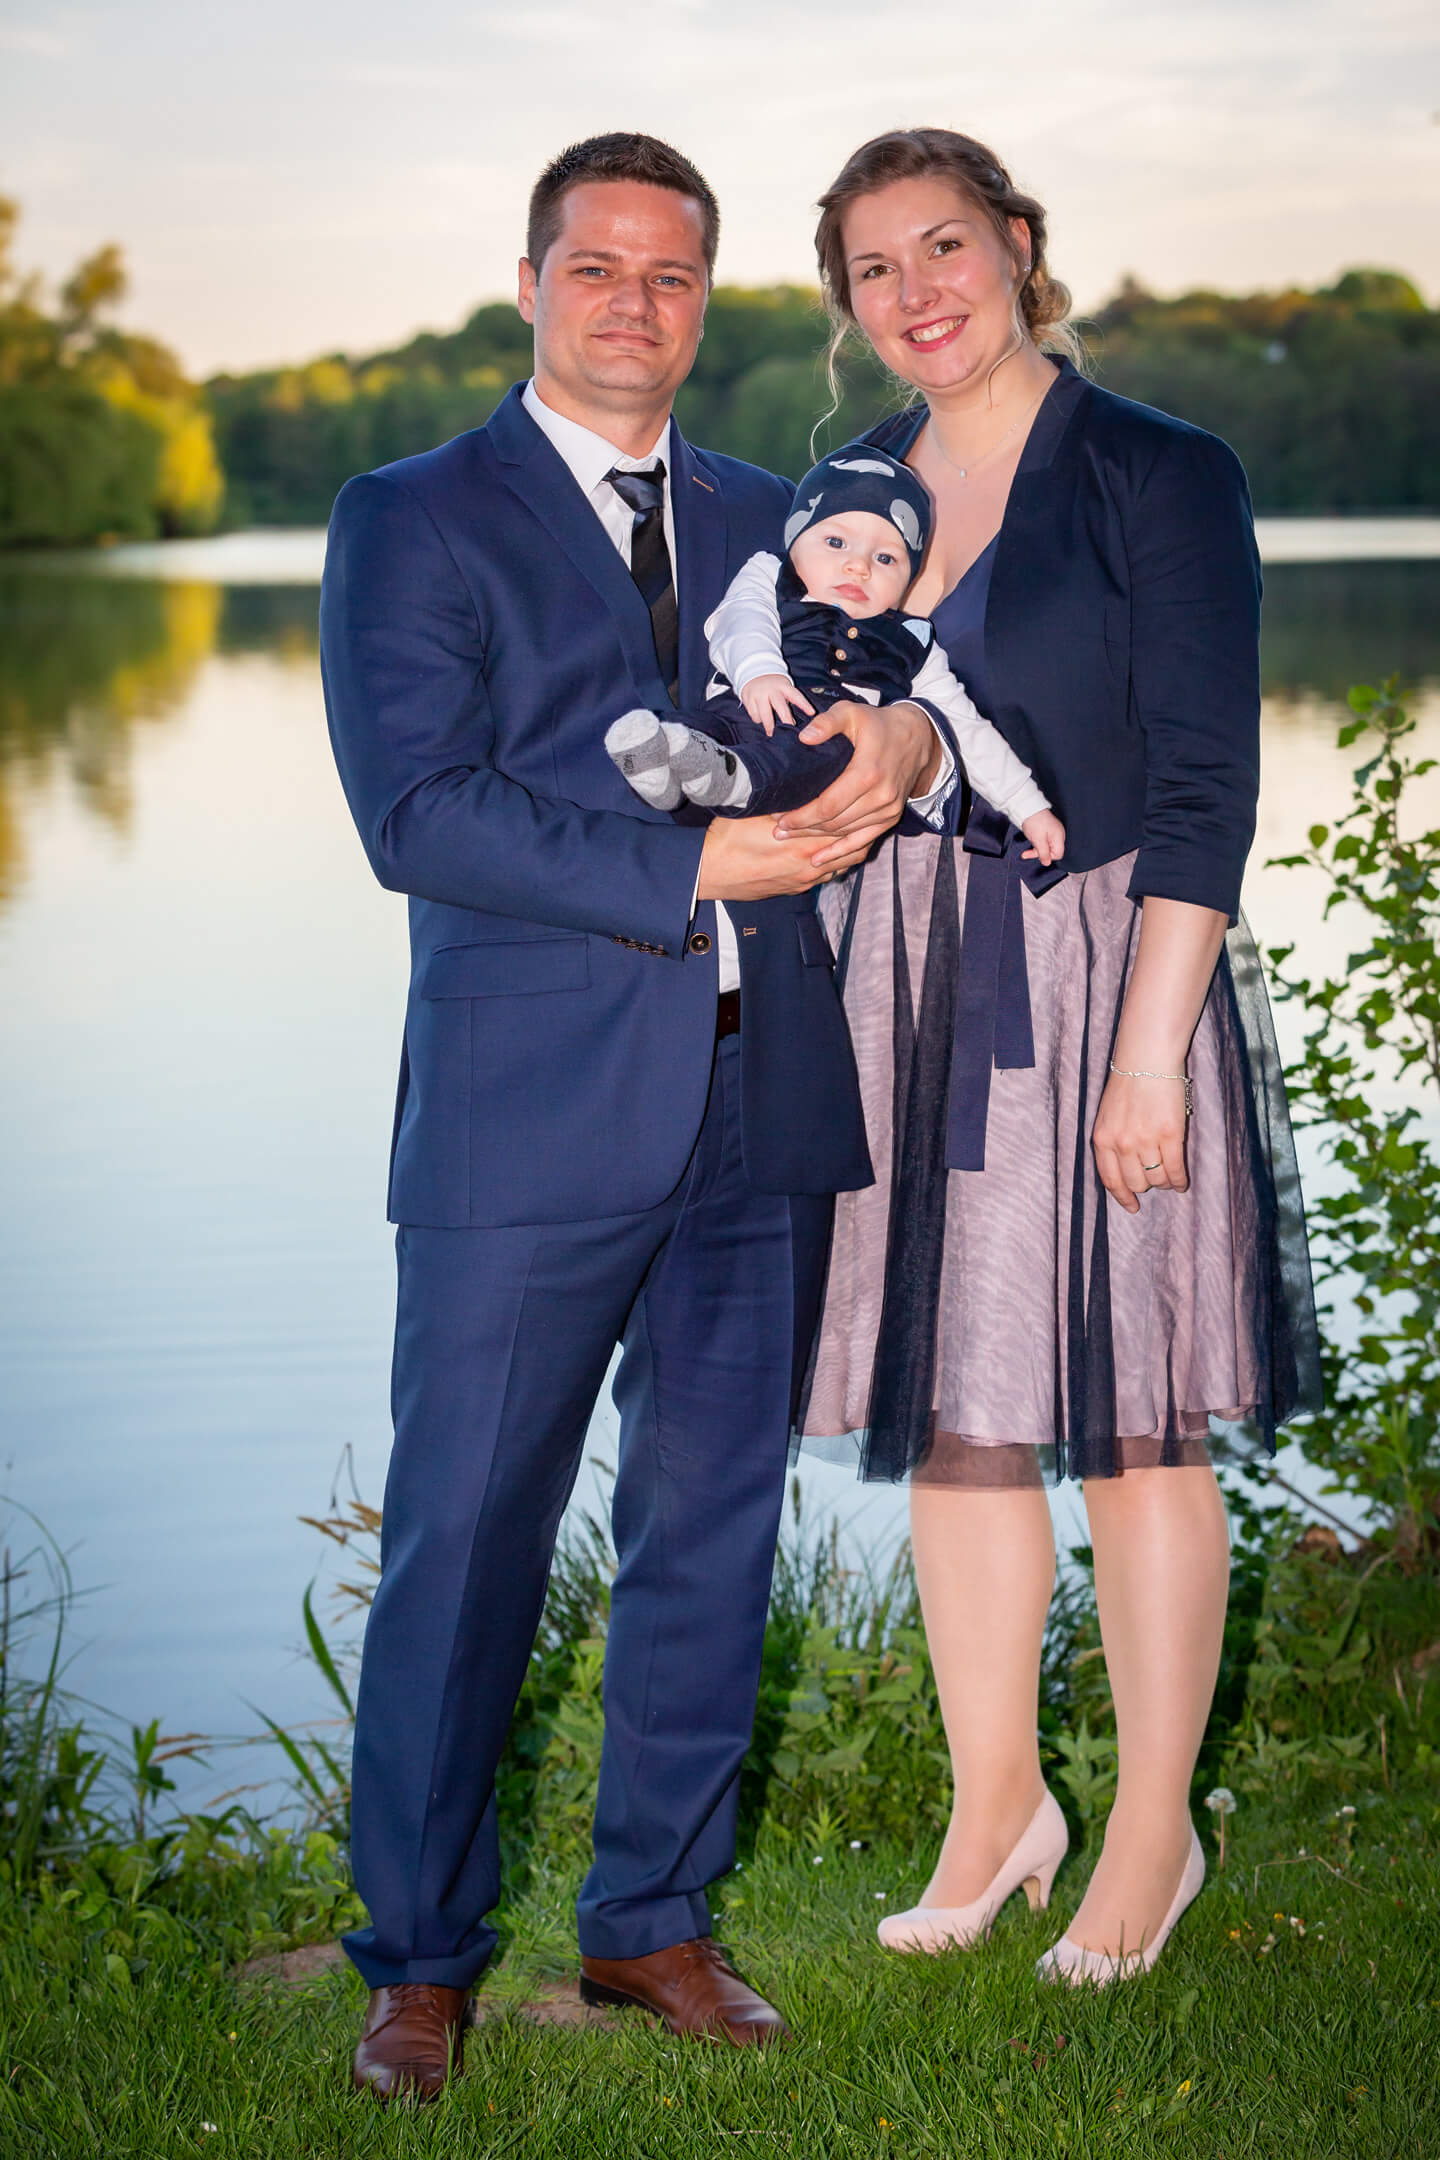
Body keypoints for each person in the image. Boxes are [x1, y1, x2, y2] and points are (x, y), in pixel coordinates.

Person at [319, 132, 948, 2099]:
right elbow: (416, 813)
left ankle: (651, 1921)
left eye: (671, 274)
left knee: (713, 1525)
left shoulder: (784, 514)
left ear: (705, 300)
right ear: (531, 286)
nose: (634, 304)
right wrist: (695, 872)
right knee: (464, 1542)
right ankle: (418, 1956)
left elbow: (915, 690)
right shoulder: (410, 515)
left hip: (764, 1097)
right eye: (596, 268)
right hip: (526, 1119)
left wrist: (907, 730)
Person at [791, 128, 1320, 1985]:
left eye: (944, 245)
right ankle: (998, 1803)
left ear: (1018, 246)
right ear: (847, 305)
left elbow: (1206, 782)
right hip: (909, 975)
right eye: (874, 267)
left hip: (1112, 970)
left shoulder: (1160, 470)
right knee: (960, 1412)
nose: (917, 291)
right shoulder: (852, 489)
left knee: (1130, 1413)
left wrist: (1152, 1056)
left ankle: (1155, 1830)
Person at [605, 450, 1063, 867]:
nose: (859, 566)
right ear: (795, 542)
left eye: (886, 558)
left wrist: (1029, 807)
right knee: (699, 731)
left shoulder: (911, 643)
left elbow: (967, 729)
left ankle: (731, 779)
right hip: (737, 713)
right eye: (836, 543)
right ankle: (661, 756)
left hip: (814, 751)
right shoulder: (771, 574)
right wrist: (759, 671)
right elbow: (739, 618)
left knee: (822, 753)